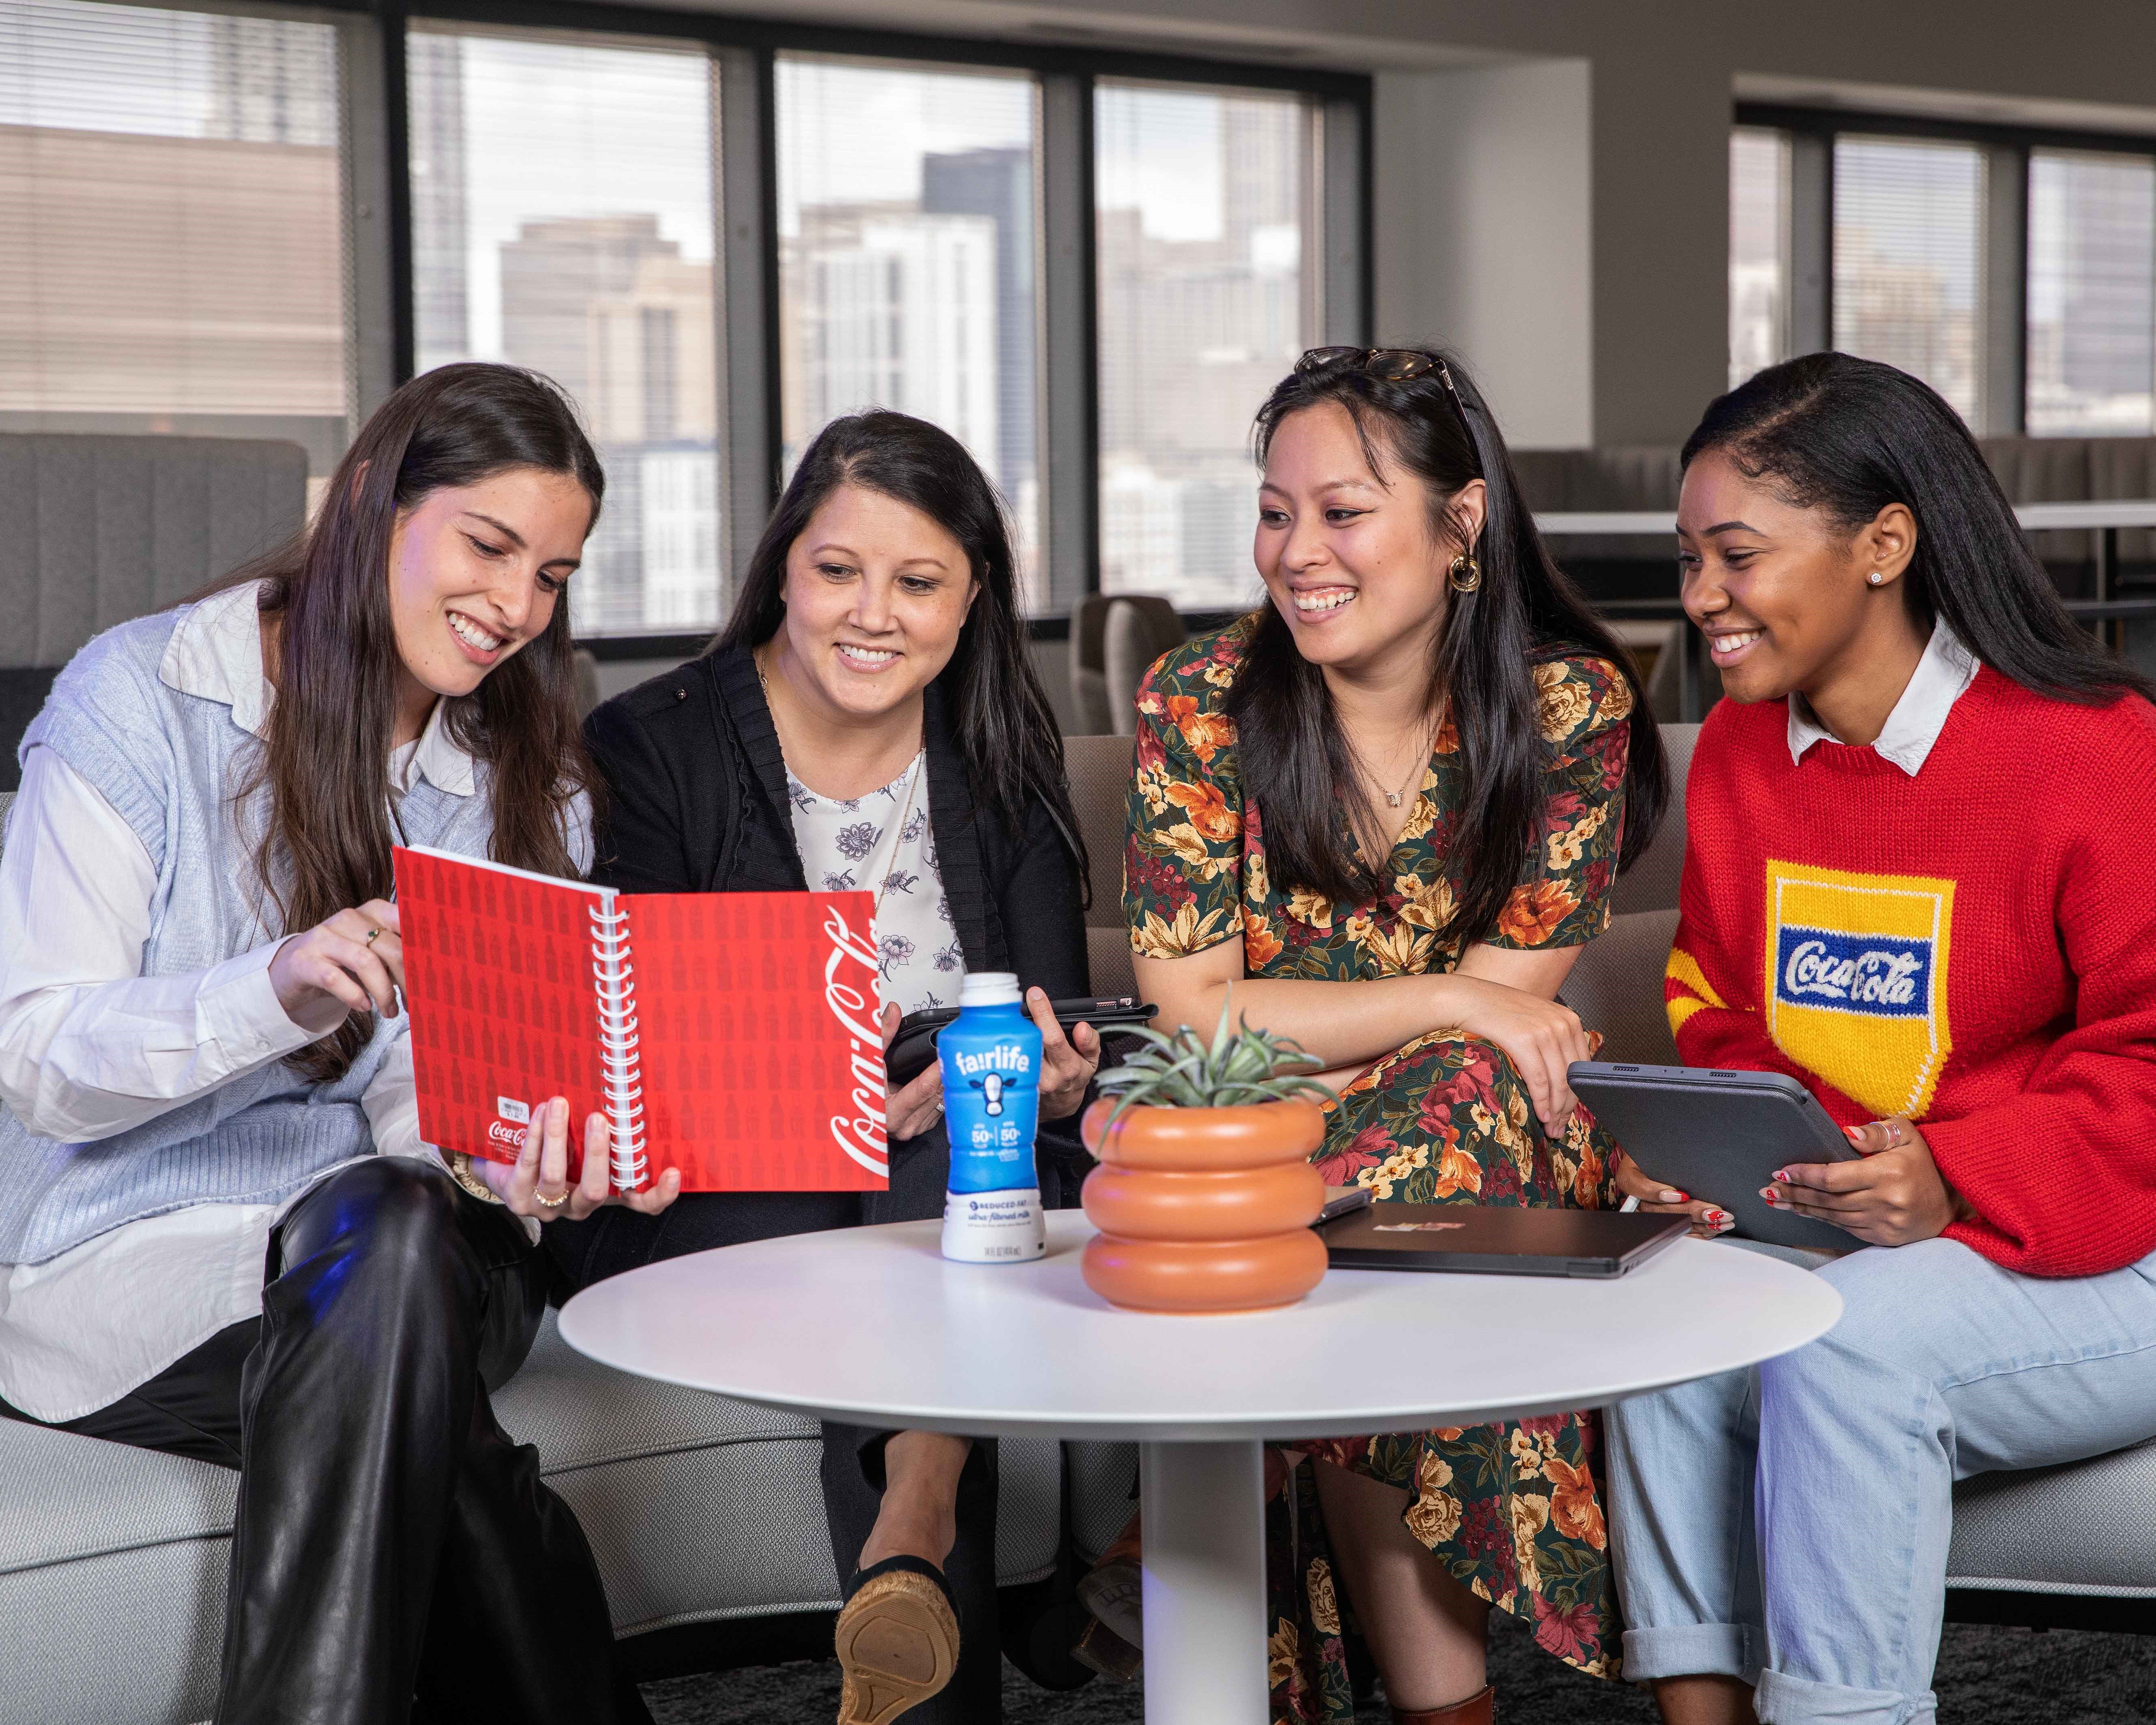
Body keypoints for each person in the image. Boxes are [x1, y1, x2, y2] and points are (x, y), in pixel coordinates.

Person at [0, 363, 678, 1723]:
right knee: (445, 1439)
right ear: (370, 499)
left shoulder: (523, 778)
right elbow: (39, 1057)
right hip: (135, 1267)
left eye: (552, 575)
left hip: (414, 1247)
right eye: (490, 546)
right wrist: (281, 989)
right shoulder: (140, 698)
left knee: (397, 1223)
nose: (516, 607)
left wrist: (526, 1165)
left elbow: (452, 1110)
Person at [1119, 346, 1668, 1725]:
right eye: (1273, 511)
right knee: (1414, 1132)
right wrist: (1441, 995)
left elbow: (1506, 1049)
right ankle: (1449, 1707)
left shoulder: (1566, 715)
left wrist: (1405, 1028)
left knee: (1448, 1111)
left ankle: (1240, 1460)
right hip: (1258, 1153)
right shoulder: (1200, 700)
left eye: (1344, 511)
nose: (1297, 551)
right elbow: (1192, 1017)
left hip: (1458, 1156)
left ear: (1461, 523)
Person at [1605, 351, 2156, 1725]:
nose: (1700, 600)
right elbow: (1716, 1004)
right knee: (1663, 1306)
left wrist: (1956, 1174)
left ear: (1884, 545)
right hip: (1868, 1224)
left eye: (1738, 556)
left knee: (1836, 1342)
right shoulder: (1741, 753)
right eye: (1687, 559)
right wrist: (1740, 1164)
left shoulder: (2092, 752)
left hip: (2109, 1242)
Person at [549, 409, 1100, 1725]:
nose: (874, 613)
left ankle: (910, 1536)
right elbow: (628, 1030)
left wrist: (1045, 1065)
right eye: (839, 569)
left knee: (960, 1148)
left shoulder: (1004, 760)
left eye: (919, 582)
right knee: (933, 1188)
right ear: (783, 565)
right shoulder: (650, 746)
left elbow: (1045, 1016)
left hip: (962, 1162)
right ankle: (912, 1518)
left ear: (971, 604)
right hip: (713, 1181)